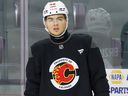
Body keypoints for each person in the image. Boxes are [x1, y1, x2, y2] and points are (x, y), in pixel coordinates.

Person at [24, 1, 110, 96]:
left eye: (59, 19)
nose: (55, 23)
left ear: (66, 20)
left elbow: (100, 82)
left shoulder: (86, 43)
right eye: (50, 19)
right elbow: (31, 89)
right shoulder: (37, 50)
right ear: (45, 23)